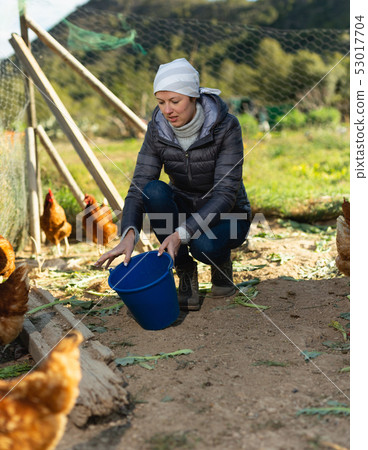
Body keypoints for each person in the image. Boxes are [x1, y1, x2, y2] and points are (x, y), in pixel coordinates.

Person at [95, 58, 251, 311]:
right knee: (153, 191)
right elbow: (139, 186)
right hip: (185, 205)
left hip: (228, 212)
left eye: (175, 101)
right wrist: (129, 234)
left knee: (204, 245)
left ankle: (220, 263)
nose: (167, 110)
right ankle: (184, 269)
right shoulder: (158, 129)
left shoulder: (227, 126)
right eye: (161, 102)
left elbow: (225, 194)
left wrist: (182, 233)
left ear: (193, 98)